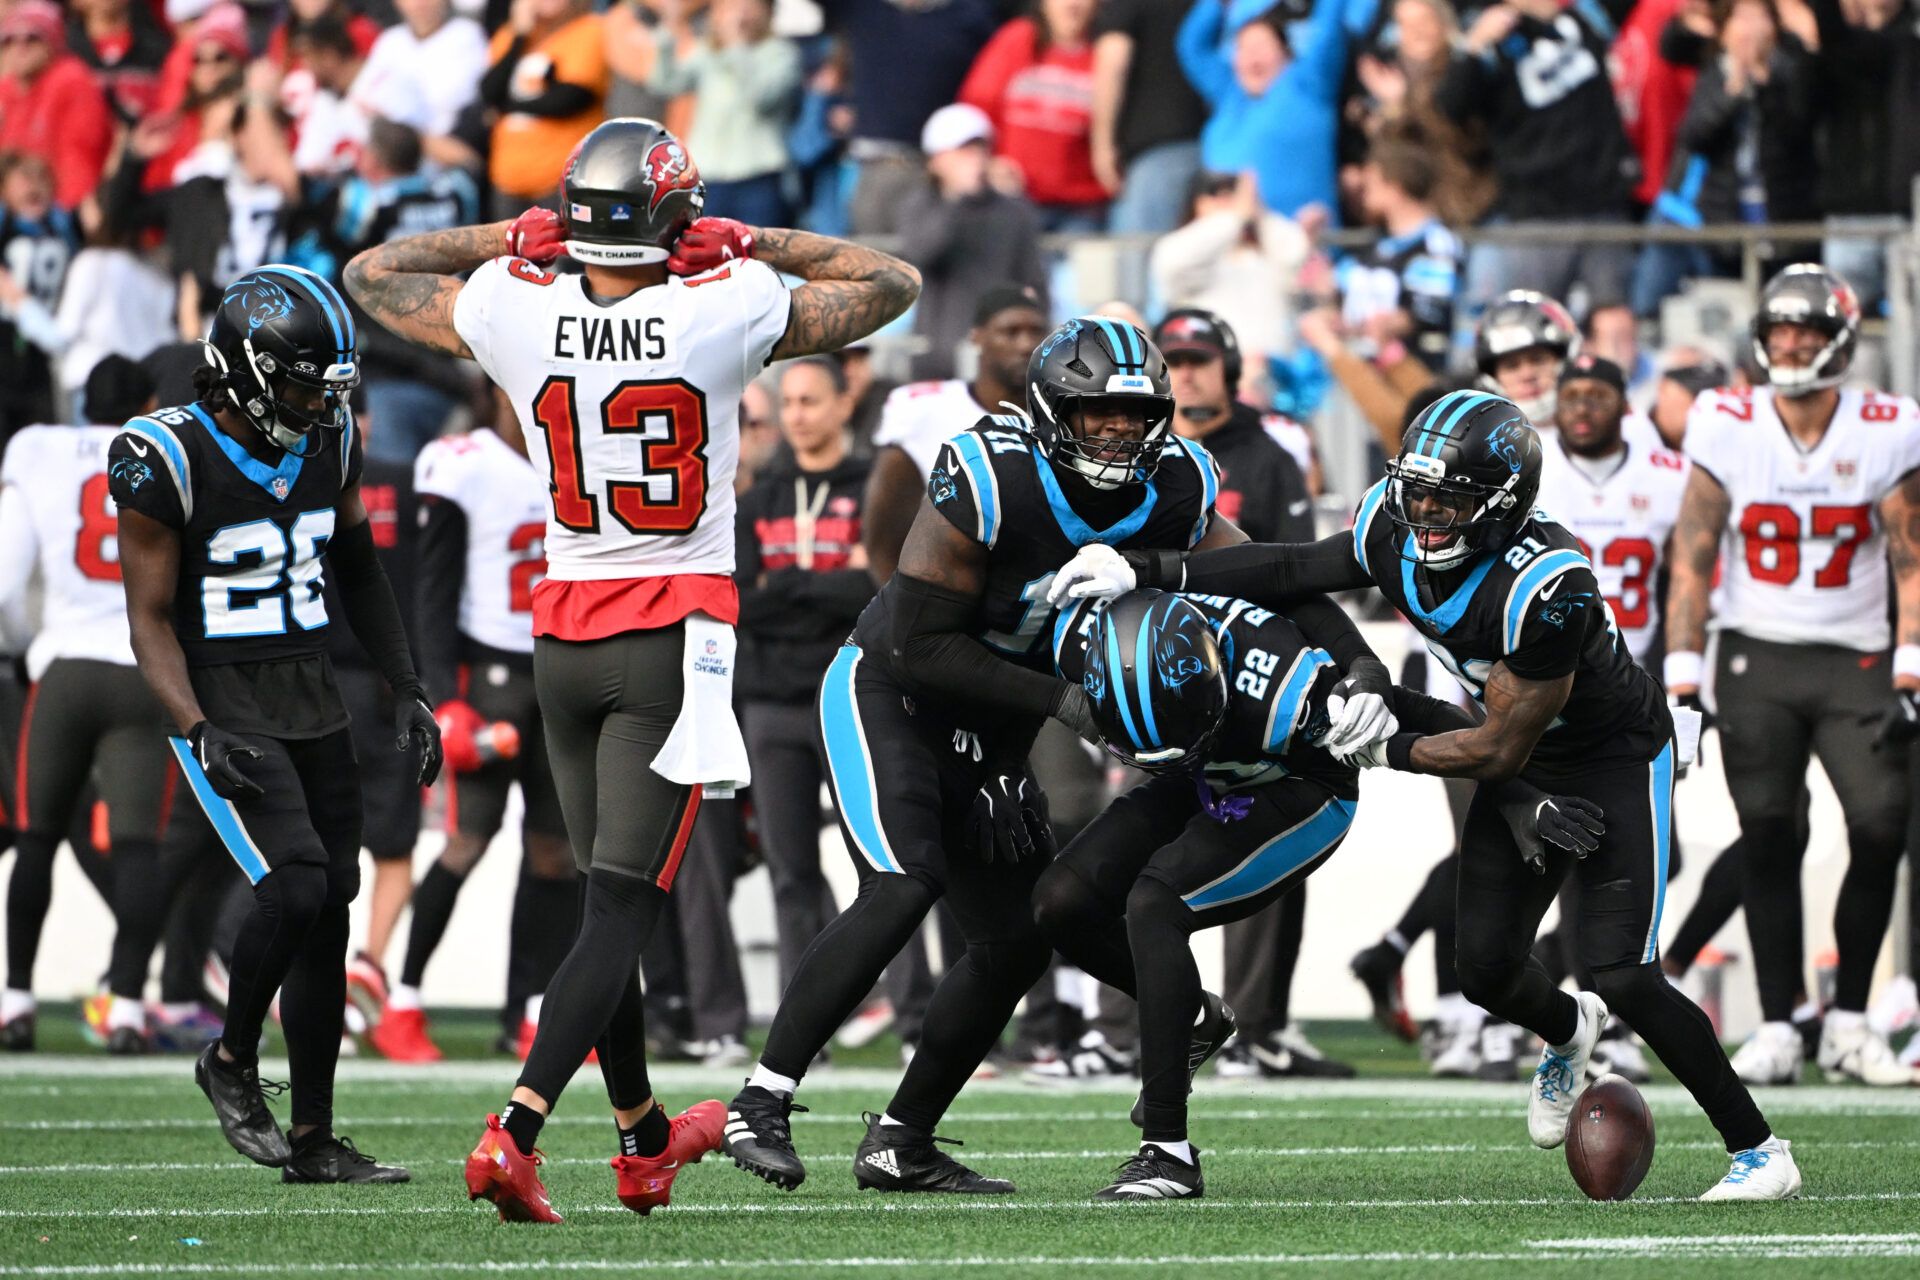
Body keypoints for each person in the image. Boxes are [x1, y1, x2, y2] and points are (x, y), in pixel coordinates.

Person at [344, 117, 920, 1221]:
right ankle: (514, 1128)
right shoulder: (722, 303)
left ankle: (644, 1137)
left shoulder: (519, 302)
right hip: (671, 638)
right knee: (620, 908)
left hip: (560, 634)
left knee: (609, 899)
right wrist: (750, 237)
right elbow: (887, 280)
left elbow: (377, 272)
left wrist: (523, 236)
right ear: (675, 219)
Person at [1051, 389, 1803, 1200]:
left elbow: (1497, 746)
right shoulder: (1393, 525)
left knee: (1622, 969)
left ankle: (1760, 1150)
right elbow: (1292, 567)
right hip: (1513, 749)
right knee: (1482, 969)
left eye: (1450, 496)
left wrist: (1382, 741)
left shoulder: (1550, 589)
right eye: (1417, 488)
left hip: (1608, 757)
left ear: (1505, 501)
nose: (1426, 510)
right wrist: (1147, 568)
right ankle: (1566, 1029)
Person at [722, 316, 1242, 1196]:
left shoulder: (1179, 483)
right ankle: (761, 1098)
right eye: (1096, 413)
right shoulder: (993, 471)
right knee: (905, 880)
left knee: (1014, 940)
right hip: (889, 690)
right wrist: (1063, 707)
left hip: (993, 722)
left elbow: (1251, 573)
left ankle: (902, 1142)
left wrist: (1340, 657)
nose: (1118, 430)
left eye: (1135, 412)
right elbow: (922, 644)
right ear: (1050, 412)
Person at [1036, 589, 1599, 1197]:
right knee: (1058, 903)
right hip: (1199, 771)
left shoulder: (1292, 688)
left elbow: (1423, 712)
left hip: (1303, 789)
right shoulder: (1086, 637)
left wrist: (1521, 796)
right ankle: (1194, 1016)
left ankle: (1169, 1152)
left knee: (1156, 904)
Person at [108, 265, 441, 1182]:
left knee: (329, 908)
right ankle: (227, 1060)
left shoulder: (328, 440)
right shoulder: (165, 453)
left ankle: (314, 1140)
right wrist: (194, 722)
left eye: (330, 385)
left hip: (311, 688)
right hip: (219, 690)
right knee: (292, 887)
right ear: (248, 371)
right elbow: (147, 617)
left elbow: (361, 571)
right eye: (301, 382)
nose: (318, 402)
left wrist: (405, 685)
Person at [1664, 264, 1920, 1087]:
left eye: (1807, 331)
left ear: (1841, 341)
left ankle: (1848, 1021)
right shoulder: (1726, 420)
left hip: (1857, 656)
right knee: (1771, 830)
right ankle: (1779, 1024)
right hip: (1754, 653)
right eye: (1779, 331)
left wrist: (1912, 664)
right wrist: (1681, 674)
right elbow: (1693, 553)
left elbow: (1912, 558)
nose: (1791, 344)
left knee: (1881, 825)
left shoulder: (1885, 426)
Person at [364, 409, 571, 1064]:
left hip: (562, 669)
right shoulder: (466, 464)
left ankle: (537, 1013)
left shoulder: (584, 450)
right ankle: (404, 1001)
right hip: (492, 675)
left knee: (556, 855)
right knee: (465, 843)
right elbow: (433, 586)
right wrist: (444, 696)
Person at [0, 358, 174, 1053]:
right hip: (142, 668)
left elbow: (7, 579)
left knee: (37, 837)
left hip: (64, 666)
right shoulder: (167, 457)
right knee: (138, 847)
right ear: (148, 404)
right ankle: (126, 1006)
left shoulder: (38, 450)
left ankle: (14, 1002)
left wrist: (23, 649)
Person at [735, 357, 878, 1013]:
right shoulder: (758, 497)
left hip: (851, 702)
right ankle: (804, 1020)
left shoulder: (873, 486)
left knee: (882, 869)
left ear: (842, 405)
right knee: (790, 873)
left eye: (810, 401)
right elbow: (741, 602)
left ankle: (908, 1017)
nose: (797, 415)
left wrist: (783, 584)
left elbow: (876, 592)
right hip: (770, 705)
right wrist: (826, 586)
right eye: (788, 402)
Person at [320, 414, 425, 1056]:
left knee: (320, 842)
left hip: (316, 676)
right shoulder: (407, 482)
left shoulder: (299, 477)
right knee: (393, 844)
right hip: (390, 682)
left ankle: (331, 976)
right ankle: (371, 964)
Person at [1439, 0, 1638, 322]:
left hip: (1602, 200)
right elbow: (1452, 106)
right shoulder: (1492, 31)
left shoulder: (1583, 13)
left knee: (1614, 319)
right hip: (1536, 213)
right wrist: (1474, 45)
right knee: (1535, 324)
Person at [864, 284, 1049, 583]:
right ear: (976, 336)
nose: (1026, 344)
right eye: (1011, 331)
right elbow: (884, 539)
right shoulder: (925, 411)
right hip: (948, 596)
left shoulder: (1062, 415)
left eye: (1035, 332)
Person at [1178, 0, 1377, 221]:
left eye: (1261, 46)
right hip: (1235, 245)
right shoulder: (1229, 95)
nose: (1252, 58)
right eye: (1242, 48)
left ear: (1286, 54)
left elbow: (1327, 28)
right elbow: (1192, 46)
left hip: (1305, 242)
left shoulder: (1308, 85)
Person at [898, 104, 1047, 382]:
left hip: (1000, 358)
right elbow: (922, 254)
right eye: (963, 152)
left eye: (980, 149)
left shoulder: (1014, 212)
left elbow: (1034, 283)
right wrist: (956, 201)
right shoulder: (920, 206)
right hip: (936, 359)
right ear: (936, 160)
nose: (975, 159)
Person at [648, 0, 801, 228]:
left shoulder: (781, 54)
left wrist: (737, 46)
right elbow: (665, 84)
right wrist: (668, 33)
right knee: (708, 254)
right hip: (710, 177)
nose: (739, 14)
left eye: (748, 6)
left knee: (762, 256)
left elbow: (761, 99)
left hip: (759, 178)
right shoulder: (707, 54)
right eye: (730, 7)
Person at [958, 0, 1107, 231]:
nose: (1073, 4)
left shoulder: (1104, 51)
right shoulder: (1017, 38)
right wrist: (988, 162)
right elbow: (975, 109)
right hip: (1015, 199)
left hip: (1081, 206)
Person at [1337, 126, 1461, 374]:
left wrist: (1388, 325)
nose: (1363, 190)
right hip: (1364, 372)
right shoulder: (1375, 244)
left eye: (1371, 182)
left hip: (1412, 373)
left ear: (1395, 187)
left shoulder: (1436, 243)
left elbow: (1428, 311)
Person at [479, 0, 608, 217]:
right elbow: (489, 91)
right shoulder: (510, 34)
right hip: (507, 179)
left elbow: (569, 99)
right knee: (511, 250)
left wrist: (506, 106)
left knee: (560, 250)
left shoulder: (590, 29)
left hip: (563, 177)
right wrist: (520, 37)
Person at [1092, 0, 1208, 234]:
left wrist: (1101, 144)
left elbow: (1113, 63)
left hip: (1157, 153)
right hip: (1207, 146)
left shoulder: (1126, 6)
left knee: (1140, 254)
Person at [0, 1, 115, 209]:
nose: (20, 47)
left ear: (53, 41)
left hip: (57, 212)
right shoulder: (7, 90)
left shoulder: (72, 81)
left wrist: (65, 216)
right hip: (15, 211)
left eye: (32, 38)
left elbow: (79, 160)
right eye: (9, 40)